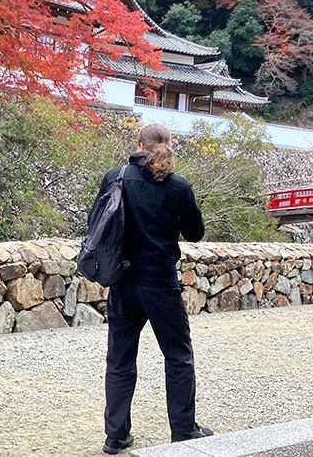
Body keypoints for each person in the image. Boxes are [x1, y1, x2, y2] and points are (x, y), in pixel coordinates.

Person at [99, 123, 211, 455]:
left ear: (139, 145)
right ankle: (183, 430)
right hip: (160, 282)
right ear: (168, 146)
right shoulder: (179, 187)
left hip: (123, 280)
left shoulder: (115, 178)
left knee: (120, 359)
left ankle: (115, 435)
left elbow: (98, 223)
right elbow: (195, 234)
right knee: (178, 356)